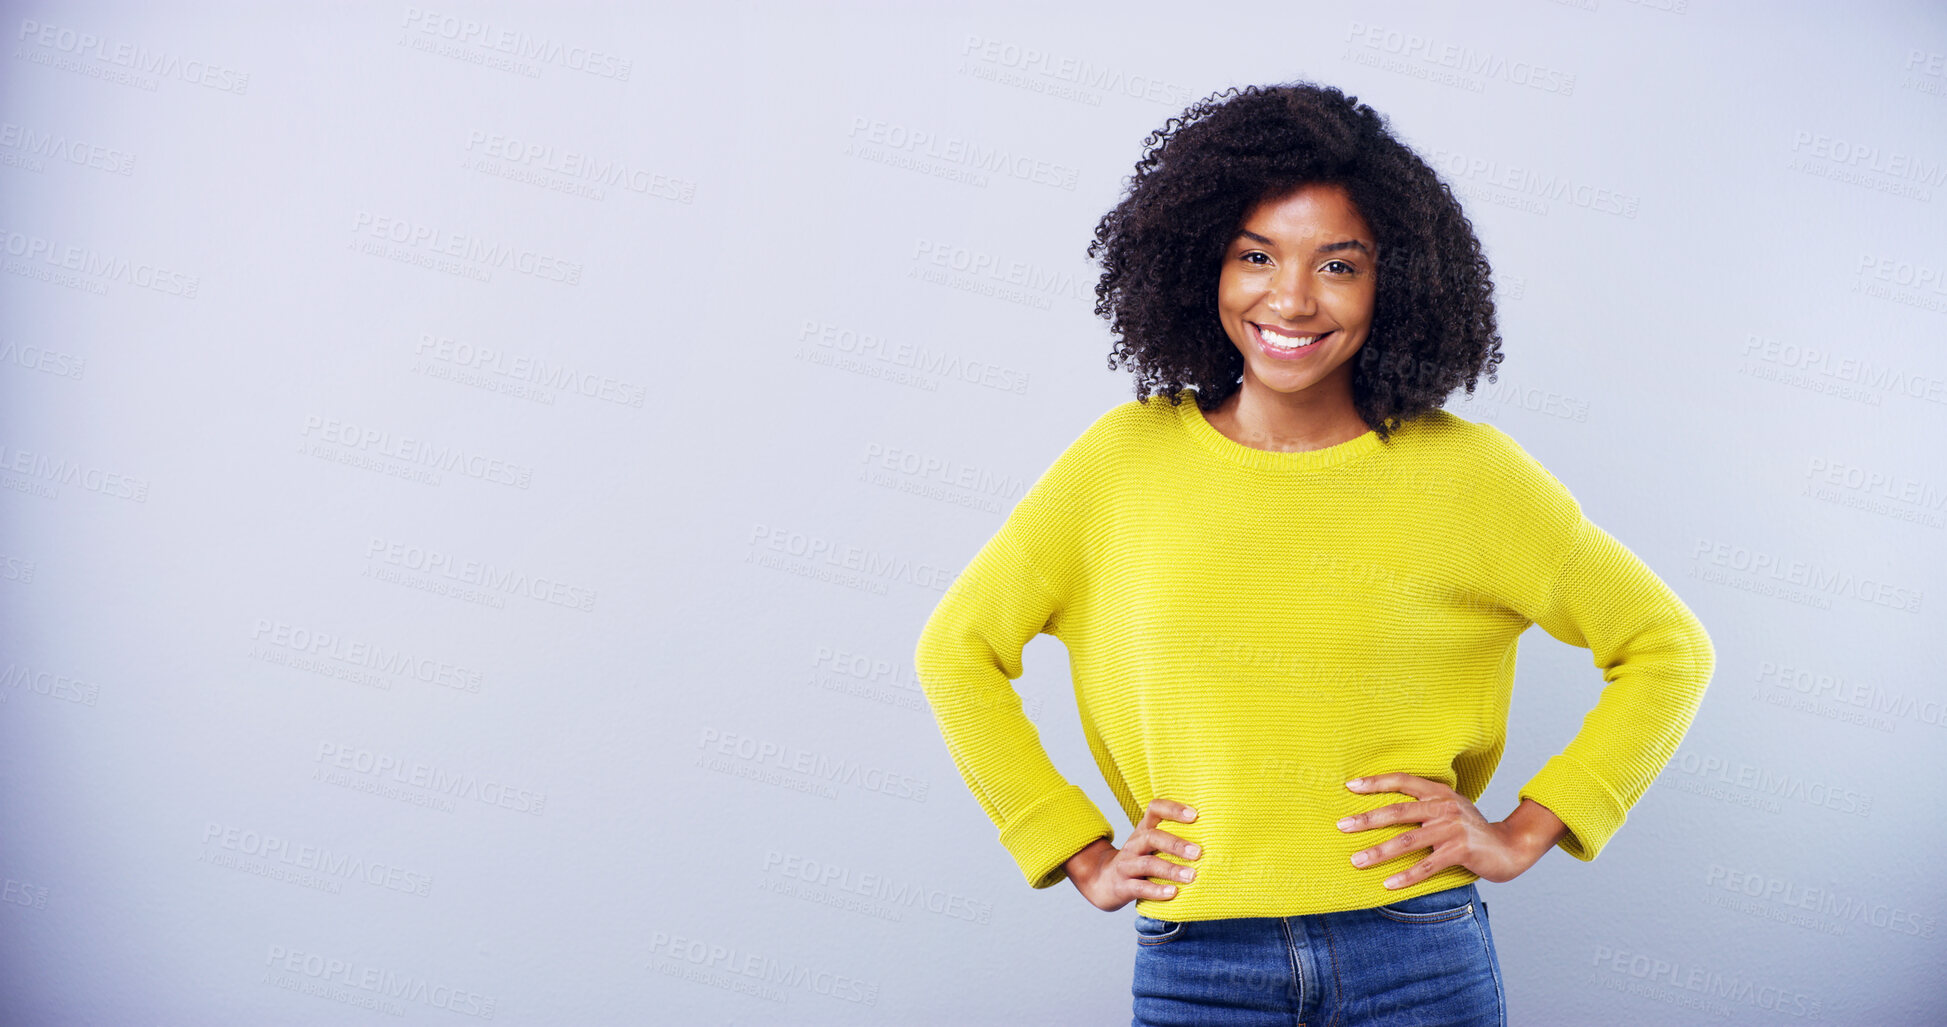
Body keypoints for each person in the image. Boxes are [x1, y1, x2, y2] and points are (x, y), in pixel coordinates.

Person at [911, 80, 1715, 1027]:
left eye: (1338, 264)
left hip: (1416, 946)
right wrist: (1072, 846)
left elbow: (1667, 648)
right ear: (1201, 263)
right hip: (1198, 960)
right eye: (1255, 255)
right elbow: (955, 650)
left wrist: (1525, 830)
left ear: (1396, 282)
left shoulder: (1470, 477)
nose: (1288, 297)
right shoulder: (1119, 463)